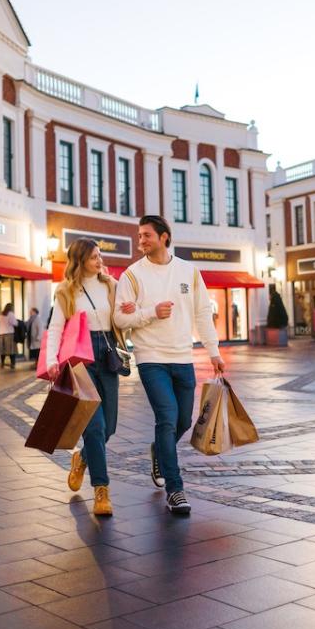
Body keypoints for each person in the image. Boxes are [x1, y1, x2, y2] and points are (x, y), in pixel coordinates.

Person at [115, 215, 224, 515]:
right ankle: (175, 489)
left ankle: (159, 451)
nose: (141, 241)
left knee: (183, 423)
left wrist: (213, 352)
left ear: (164, 237)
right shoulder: (132, 275)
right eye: (139, 236)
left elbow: (203, 313)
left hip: (182, 357)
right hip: (151, 359)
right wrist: (150, 312)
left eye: (147, 235)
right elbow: (120, 319)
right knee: (166, 417)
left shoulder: (188, 272)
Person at [46, 239, 133, 517]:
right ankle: (101, 491)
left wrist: (129, 313)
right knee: (94, 426)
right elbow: (56, 328)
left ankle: (81, 459)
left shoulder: (112, 285)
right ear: (80, 260)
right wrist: (51, 360)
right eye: (94, 257)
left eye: (100, 255)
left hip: (107, 354)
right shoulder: (66, 291)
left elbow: (119, 320)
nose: (100, 260)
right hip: (80, 359)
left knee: (109, 427)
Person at [0, 303, 17, 369]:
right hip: (9, 334)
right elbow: (15, 323)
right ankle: (12, 364)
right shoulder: (10, 314)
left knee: (2, 349)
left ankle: (2, 363)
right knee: (11, 349)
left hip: (1, 334)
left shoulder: (1, 314)